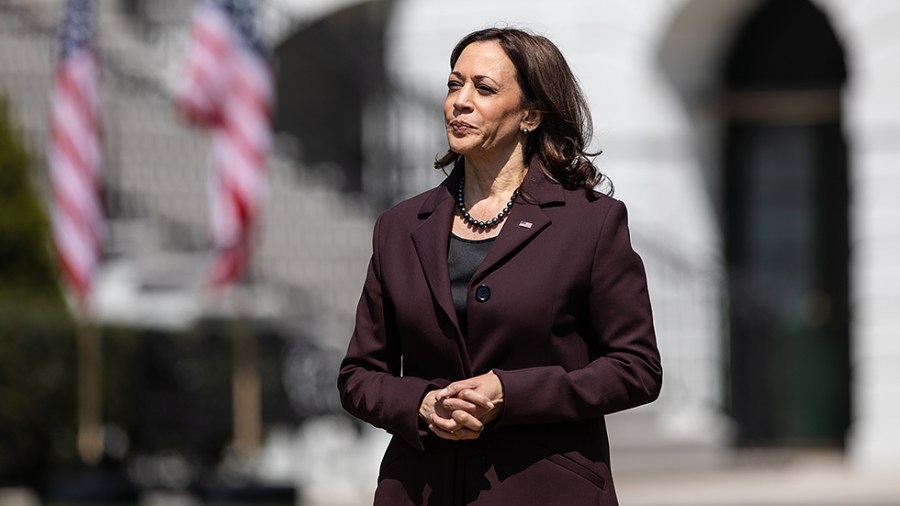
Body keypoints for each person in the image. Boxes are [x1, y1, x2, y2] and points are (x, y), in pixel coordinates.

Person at [338, 27, 662, 506]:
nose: (459, 102)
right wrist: (422, 404)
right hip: (420, 489)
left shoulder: (591, 223)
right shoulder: (399, 226)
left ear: (530, 114)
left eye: (483, 88)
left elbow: (636, 369)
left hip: (545, 489)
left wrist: (510, 394)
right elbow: (359, 375)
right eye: (453, 84)